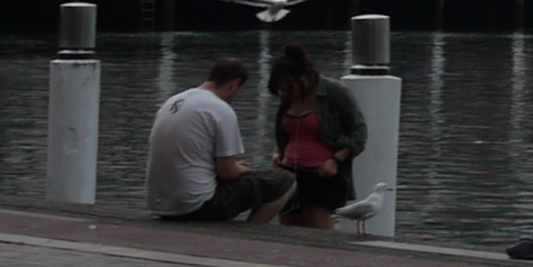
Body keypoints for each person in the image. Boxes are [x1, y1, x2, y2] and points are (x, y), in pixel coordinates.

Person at [145, 56, 288, 225]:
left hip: (159, 205)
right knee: (284, 180)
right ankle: (252, 230)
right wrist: (241, 169)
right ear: (235, 84)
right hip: (195, 205)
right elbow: (228, 173)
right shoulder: (221, 109)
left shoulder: (173, 101)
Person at [262, 45, 367, 230]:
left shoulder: (334, 92)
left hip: (321, 175)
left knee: (319, 229)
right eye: (282, 91)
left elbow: (359, 133)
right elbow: (288, 132)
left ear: (302, 80)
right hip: (289, 172)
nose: (285, 95)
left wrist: (336, 160)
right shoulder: (289, 97)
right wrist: (278, 153)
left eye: (287, 89)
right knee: (288, 229)